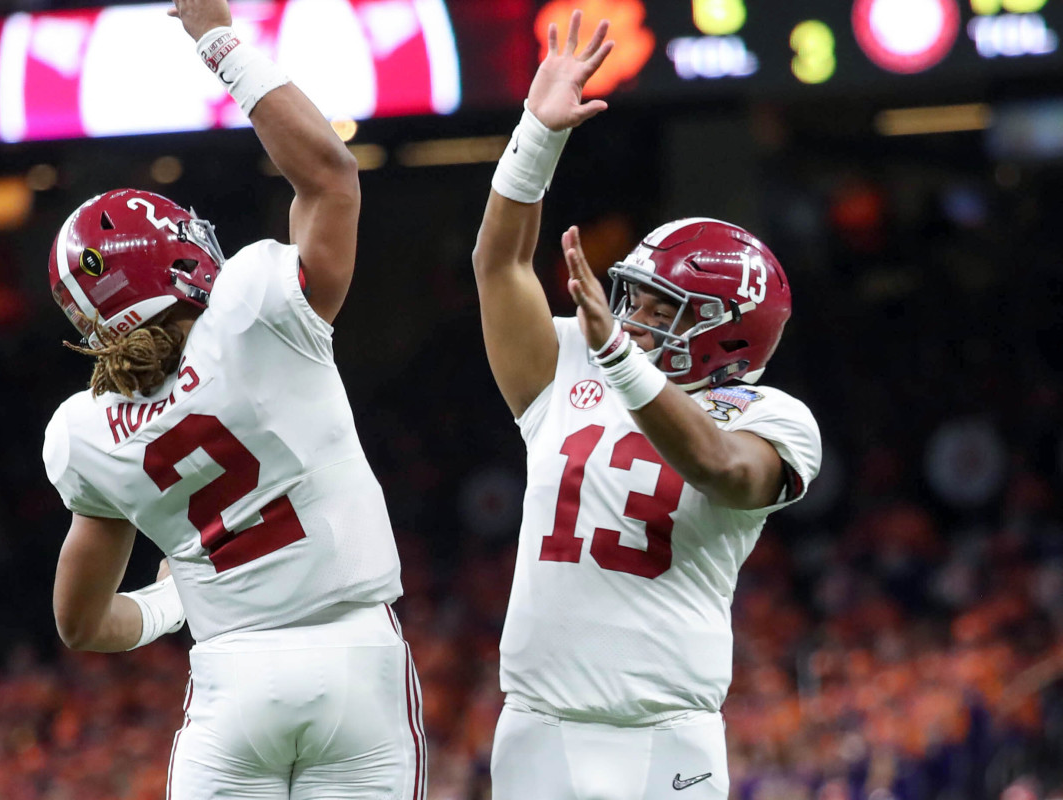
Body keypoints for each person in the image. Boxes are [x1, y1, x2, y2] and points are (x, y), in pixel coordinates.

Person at [41, 1, 426, 797]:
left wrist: (173, 599)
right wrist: (217, 38)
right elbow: (330, 174)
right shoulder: (254, 306)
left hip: (233, 679)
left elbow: (81, 624)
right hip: (356, 660)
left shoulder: (89, 432)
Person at [472, 11, 822, 799]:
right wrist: (537, 134)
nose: (635, 317)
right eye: (636, 299)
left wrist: (621, 360)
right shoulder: (574, 361)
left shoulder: (773, 418)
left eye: (663, 308)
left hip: (667, 732)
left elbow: (720, 468)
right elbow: (498, 269)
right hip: (538, 724)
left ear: (725, 332)